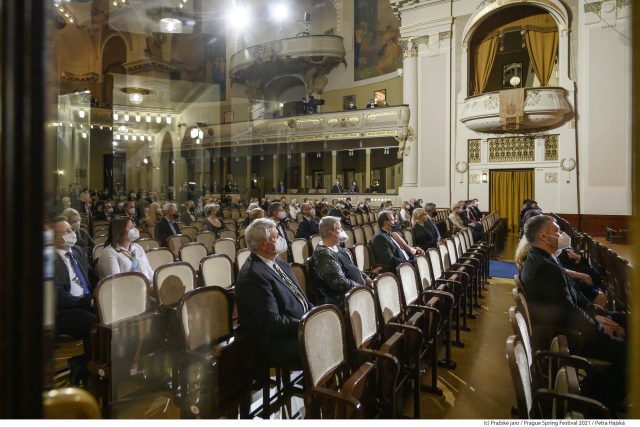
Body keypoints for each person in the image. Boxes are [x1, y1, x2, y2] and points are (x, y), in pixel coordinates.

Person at [520, 215, 627, 410]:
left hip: (568, 326)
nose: (560, 234)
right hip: (568, 335)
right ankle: (593, 406)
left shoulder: (542, 258)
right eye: (556, 231)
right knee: (628, 354)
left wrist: (595, 313)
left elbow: (573, 298)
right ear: (544, 237)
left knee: (627, 321)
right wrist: (600, 327)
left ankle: (595, 396)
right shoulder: (546, 268)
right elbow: (568, 312)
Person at [235, 218, 312, 367]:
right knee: (326, 341)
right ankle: (320, 388)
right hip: (276, 341)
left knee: (336, 330)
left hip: (298, 327)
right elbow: (271, 322)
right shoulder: (253, 275)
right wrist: (306, 324)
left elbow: (300, 297)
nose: (281, 240)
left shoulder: (279, 263)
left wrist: (314, 313)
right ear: (263, 244)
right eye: (276, 237)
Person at [53, 218, 98, 386]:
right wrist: (86, 302)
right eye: (65, 232)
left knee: (112, 316)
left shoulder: (77, 250)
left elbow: (92, 277)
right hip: (64, 311)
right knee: (94, 322)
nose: (71, 234)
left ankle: (88, 364)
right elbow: (58, 296)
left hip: (88, 302)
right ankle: (87, 367)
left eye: (70, 230)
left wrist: (102, 293)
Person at [309, 217, 371, 310]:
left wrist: (366, 278)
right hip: (337, 298)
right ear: (331, 232)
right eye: (339, 228)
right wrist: (362, 288)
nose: (342, 230)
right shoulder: (323, 254)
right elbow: (340, 283)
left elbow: (352, 268)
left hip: (353, 290)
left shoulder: (338, 248)